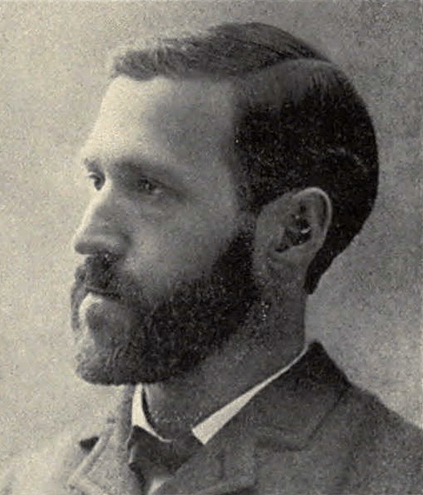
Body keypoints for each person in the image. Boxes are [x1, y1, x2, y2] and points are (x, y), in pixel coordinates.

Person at [2, 21, 421, 495]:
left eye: (148, 187)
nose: (88, 237)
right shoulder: (28, 483)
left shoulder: (399, 479)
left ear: (293, 232)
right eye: (98, 181)